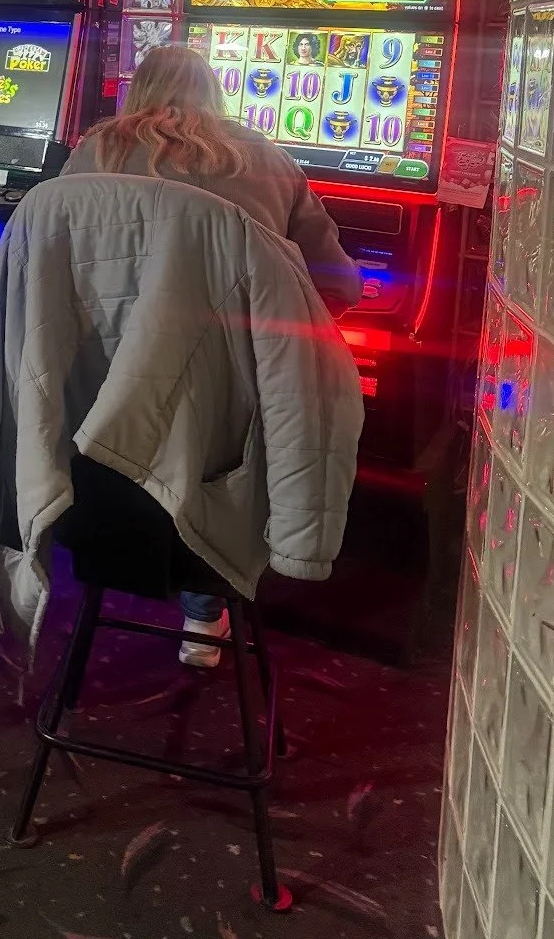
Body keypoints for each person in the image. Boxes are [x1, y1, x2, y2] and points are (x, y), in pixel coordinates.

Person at [63, 44, 362, 667]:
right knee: (234, 409)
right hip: (220, 415)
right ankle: (204, 610)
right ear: (216, 94)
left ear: (137, 90)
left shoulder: (91, 153)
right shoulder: (268, 159)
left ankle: (101, 569)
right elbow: (339, 287)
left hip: (95, 404)